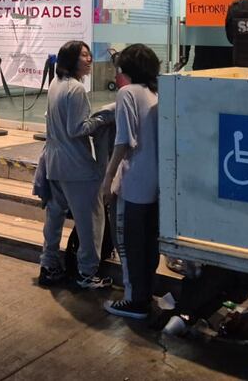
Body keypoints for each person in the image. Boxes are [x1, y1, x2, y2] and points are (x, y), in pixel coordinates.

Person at [38, 40, 113, 290]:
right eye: (83, 55)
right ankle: (87, 273)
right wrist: (103, 117)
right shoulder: (76, 90)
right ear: (71, 60)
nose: (89, 59)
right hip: (77, 166)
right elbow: (77, 129)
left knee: (55, 216)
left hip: (54, 162)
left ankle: (49, 264)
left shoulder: (55, 85)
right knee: (91, 220)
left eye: (89, 54)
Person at [102, 43, 161, 320]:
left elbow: (123, 140)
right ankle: (145, 295)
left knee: (129, 243)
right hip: (155, 181)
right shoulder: (153, 92)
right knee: (148, 243)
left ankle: (134, 300)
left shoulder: (127, 93)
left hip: (135, 180)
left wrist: (107, 179)